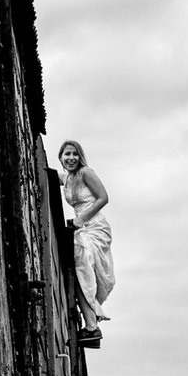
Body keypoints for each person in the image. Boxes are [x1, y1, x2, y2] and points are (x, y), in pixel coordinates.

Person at [56, 139, 112, 325]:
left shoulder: (85, 173)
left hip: (95, 226)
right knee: (79, 267)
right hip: (81, 228)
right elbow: (47, 174)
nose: (71, 158)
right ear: (61, 158)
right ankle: (91, 321)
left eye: (75, 154)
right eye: (67, 154)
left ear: (80, 157)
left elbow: (103, 198)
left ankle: (91, 323)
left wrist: (81, 219)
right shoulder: (68, 179)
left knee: (82, 262)